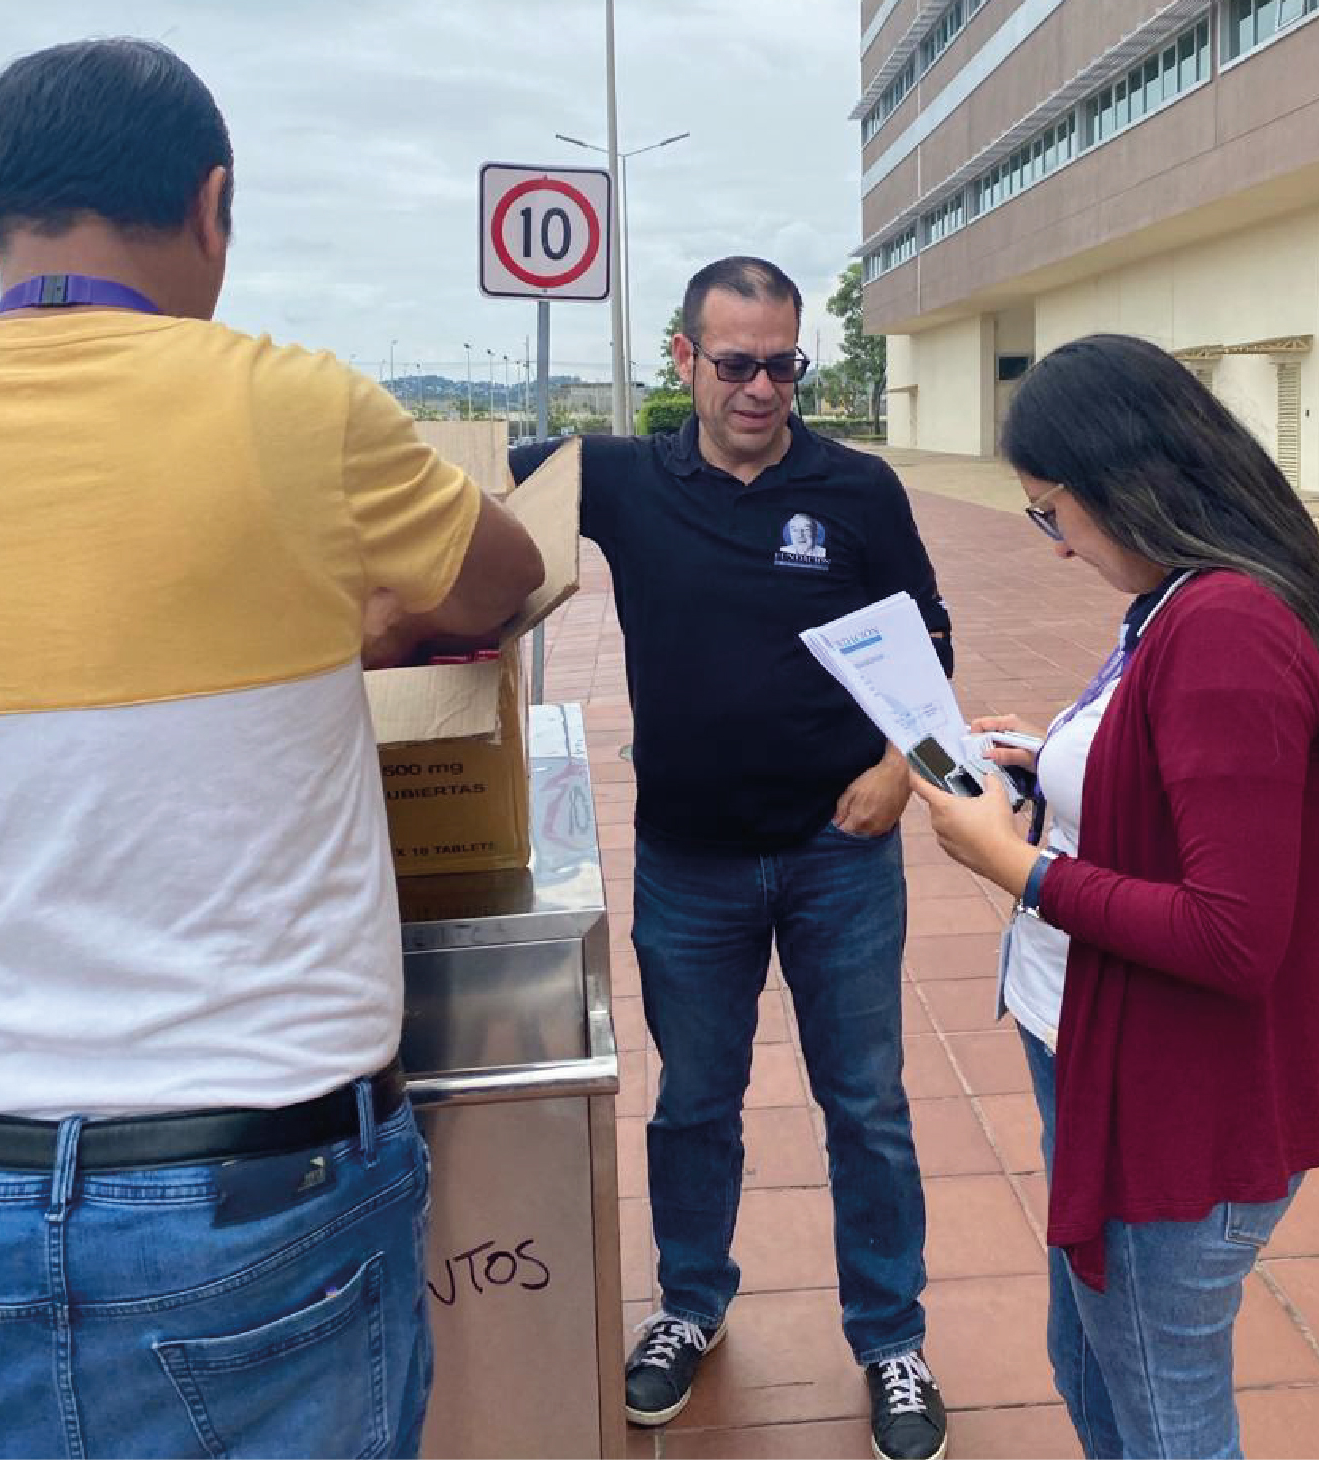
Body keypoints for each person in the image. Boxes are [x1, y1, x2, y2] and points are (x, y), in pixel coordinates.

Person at [0, 38, 543, 1459]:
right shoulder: (293, 405)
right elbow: (505, 577)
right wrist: (363, 615)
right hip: (254, 1189)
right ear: (214, 207)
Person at [911, 333, 1319, 1459]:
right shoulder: (1186, 599)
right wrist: (1055, 758)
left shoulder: (1222, 626)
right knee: (1096, 1372)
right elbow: (1189, 786)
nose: (1051, 546)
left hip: (1175, 1105)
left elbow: (1231, 934)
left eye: (1051, 513)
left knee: (1162, 1417)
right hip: (1122, 1068)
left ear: (1125, 485)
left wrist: (1011, 863)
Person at [512, 256, 954, 1460]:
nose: (762, 387)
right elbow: (461, 489)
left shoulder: (853, 489)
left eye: (782, 363)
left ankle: (889, 1335)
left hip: (837, 851)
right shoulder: (621, 477)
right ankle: (688, 1305)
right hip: (689, 862)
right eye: (736, 362)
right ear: (684, 360)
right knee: (693, 1102)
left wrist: (894, 765)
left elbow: (929, 637)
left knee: (863, 1103)